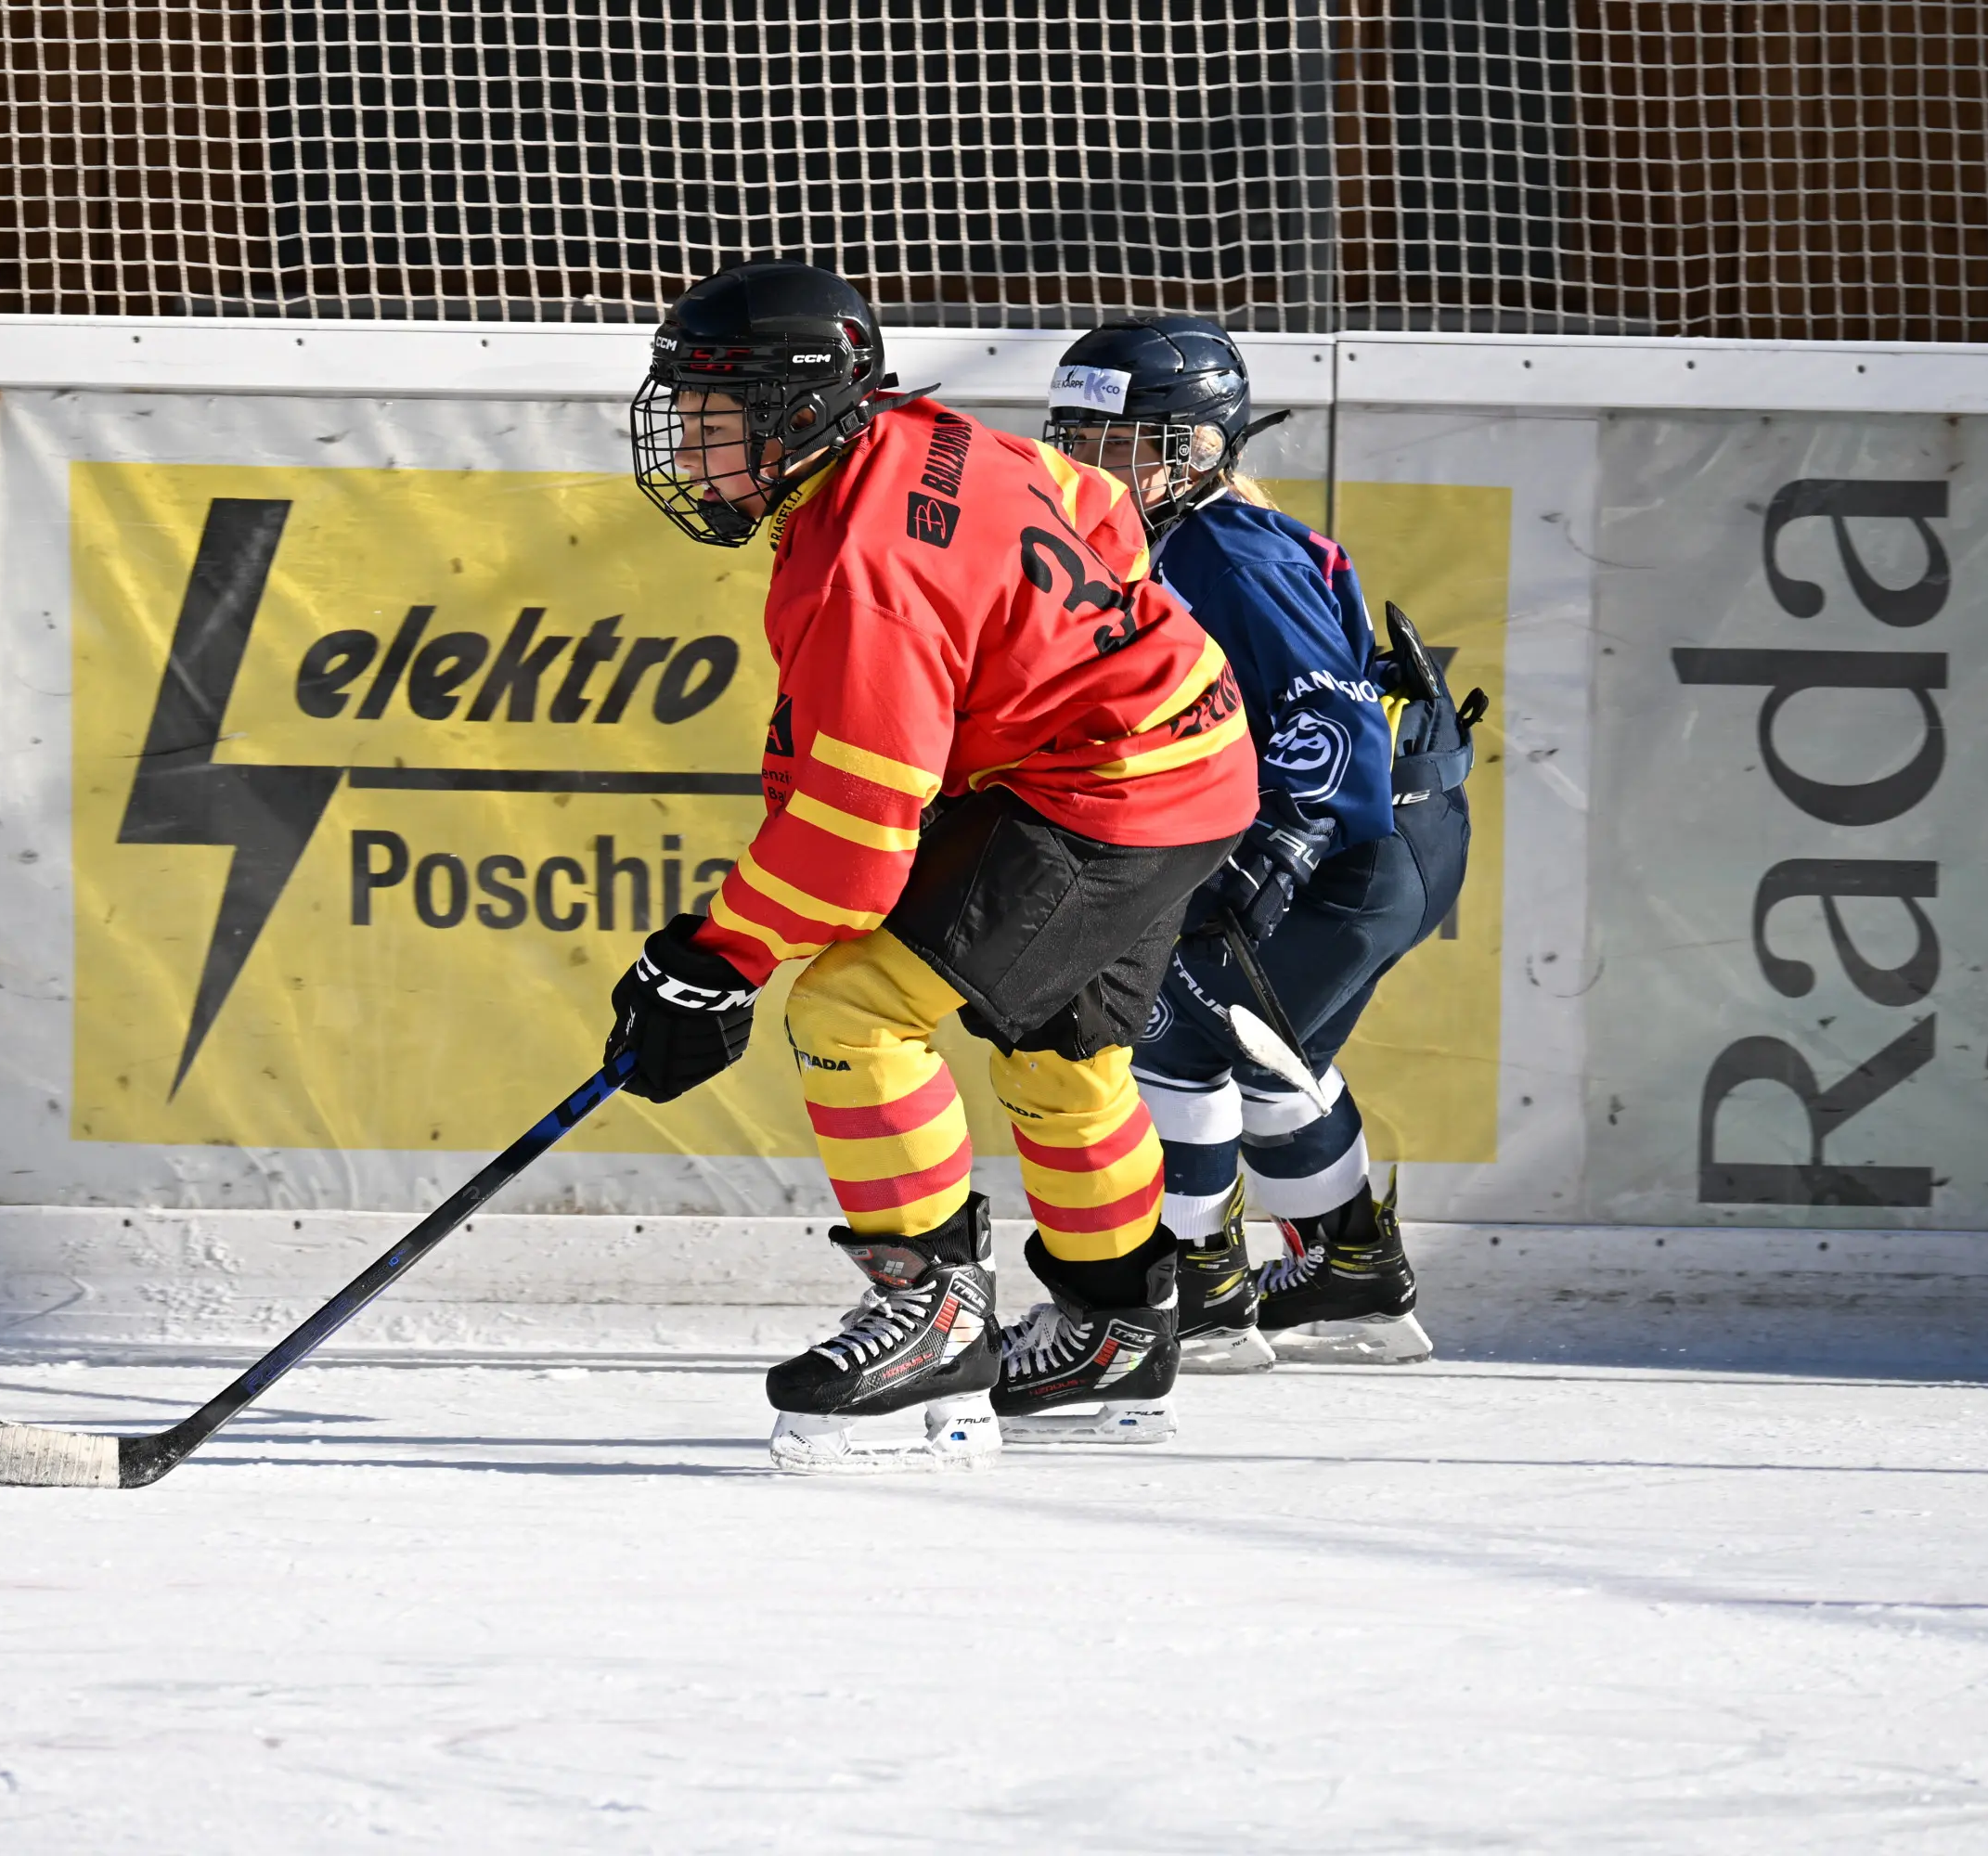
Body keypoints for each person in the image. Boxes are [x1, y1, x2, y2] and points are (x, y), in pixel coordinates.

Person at [604, 262, 1259, 1470]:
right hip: (1189, 750)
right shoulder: (932, 438)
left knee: (850, 1011)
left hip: (1108, 792)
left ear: (799, 415)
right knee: (1068, 1058)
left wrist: (711, 960)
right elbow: (1101, 513)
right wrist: (1047, 670)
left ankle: (934, 1325)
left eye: (712, 423)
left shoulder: (862, 569)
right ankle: (1116, 1334)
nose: (688, 456)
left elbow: (851, 855)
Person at [1043, 314, 1478, 1373]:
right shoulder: (1162, 536)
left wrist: (1281, 842)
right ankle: (1353, 1277)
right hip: (1382, 841)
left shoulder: (1225, 548)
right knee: (1275, 1046)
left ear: (1195, 449)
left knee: (1169, 1030)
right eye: (1074, 438)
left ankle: (1194, 1293)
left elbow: (1326, 716)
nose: (1087, 464)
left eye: (1121, 443)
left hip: (1358, 844)